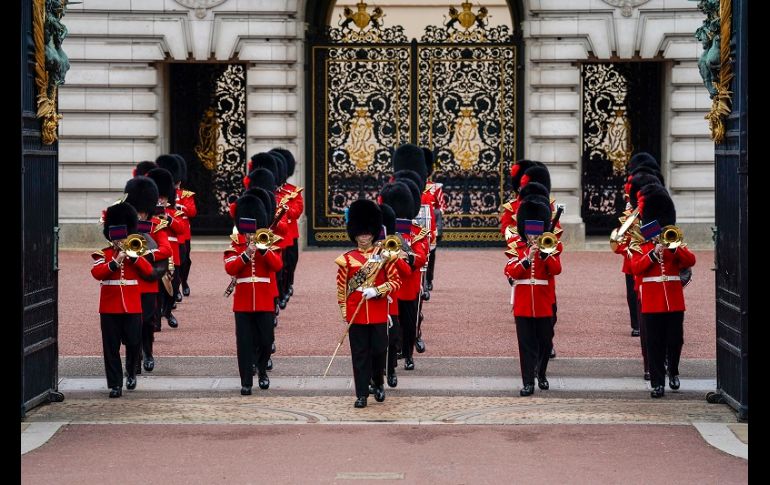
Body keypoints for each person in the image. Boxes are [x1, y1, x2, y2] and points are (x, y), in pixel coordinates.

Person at [630, 184, 696, 398]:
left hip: (674, 301)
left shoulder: (673, 240)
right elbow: (635, 268)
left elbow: (691, 260)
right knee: (654, 343)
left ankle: (673, 372)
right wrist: (652, 254)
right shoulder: (642, 244)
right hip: (652, 301)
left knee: (676, 340)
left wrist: (674, 249)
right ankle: (657, 383)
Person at [335, 200, 401, 408]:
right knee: (360, 355)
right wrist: (345, 313)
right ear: (354, 234)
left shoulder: (383, 256)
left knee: (379, 351)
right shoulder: (347, 259)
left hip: (378, 312)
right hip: (356, 314)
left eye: (367, 233)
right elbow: (342, 289)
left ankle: (378, 383)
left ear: (373, 233)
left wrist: (377, 291)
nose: (364, 237)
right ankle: (361, 394)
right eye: (360, 234)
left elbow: (395, 282)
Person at [91, 203, 154, 398]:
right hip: (109, 307)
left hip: (132, 306)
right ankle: (115, 384)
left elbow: (148, 271)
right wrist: (116, 260)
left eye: (122, 235)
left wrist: (132, 257)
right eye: (116, 235)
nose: (119, 239)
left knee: (134, 343)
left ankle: (131, 372)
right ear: (110, 235)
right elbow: (97, 272)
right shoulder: (103, 254)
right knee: (111, 348)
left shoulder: (136, 251)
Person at [224, 194, 283, 395]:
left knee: (266, 340)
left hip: (265, 300)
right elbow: (230, 268)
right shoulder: (235, 245)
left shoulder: (269, 243)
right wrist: (247, 253)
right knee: (244, 343)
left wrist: (263, 250)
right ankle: (246, 382)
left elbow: (277, 265)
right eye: (248, 230)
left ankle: (262, 371)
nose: (250, 234)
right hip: (243, 302)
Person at [503, 198, 562, 396]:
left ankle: (541, 373)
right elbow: (511, 271)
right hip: (523, 303)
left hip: (543, 302)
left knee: (546, 341)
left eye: (536, 232)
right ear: (524, 230)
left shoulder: (550, 246)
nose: (533, 236)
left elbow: (557, 269)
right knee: (525, 344)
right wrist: (527, 259)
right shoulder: (517, 247)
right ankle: (528, 382)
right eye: (530, 232)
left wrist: (545, 255)